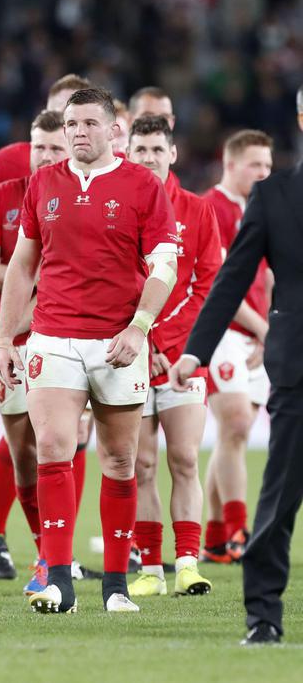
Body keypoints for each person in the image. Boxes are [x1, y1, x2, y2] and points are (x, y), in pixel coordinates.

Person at [0, 87, 178, 615]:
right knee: (52, 446)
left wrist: (140, 327)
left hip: (119, 341)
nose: (78, 132)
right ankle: (57, 581)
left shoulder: (143, 186)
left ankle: (116, 585)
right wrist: (6, 336)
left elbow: (165, 264)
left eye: (89, 123)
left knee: (119, 460)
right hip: (52, 336)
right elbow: (22, 267)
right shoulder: (43, 184)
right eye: (72, 123)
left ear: (114, 129)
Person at [169, 86, 303, 646]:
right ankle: (263, 615)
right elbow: (229, 281)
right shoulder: (272, 197)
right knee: (279, 494)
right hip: (298, 366)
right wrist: (196, 350)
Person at [0, 110, 71, 590]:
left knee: (62, 452)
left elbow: (82, 284)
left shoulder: (81, 199)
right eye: (40, 147)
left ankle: (59, 559)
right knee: (23, 455)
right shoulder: (3, 198)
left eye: (55, 148)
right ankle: (45, 556)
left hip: (70, 343)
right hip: (13, 346)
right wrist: (29, 278)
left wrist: (22, 285)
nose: (46, 156)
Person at [124, 116, 220, 598]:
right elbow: (115, 283)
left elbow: (207, 287)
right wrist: (141, 342)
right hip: (130, 354)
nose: (149, 159)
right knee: (140, 465)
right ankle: (150, 570)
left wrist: (162, 344)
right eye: (140, 150)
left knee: (184, 459)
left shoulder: (198, 212)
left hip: (180, 358)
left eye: (156, 150)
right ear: (127, 152)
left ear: (173, 153)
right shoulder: (116, 207)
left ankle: (187, 563)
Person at [199, 130, 273, 564]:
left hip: (258, 332)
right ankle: (237, 530)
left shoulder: (261, 208)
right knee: (237, 427)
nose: (263, 173)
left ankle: (214, 537)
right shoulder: (212, 208)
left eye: (267, 166)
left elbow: (266, 274)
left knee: (234, 437)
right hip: (222, 330)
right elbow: (219, 283)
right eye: (255, 165)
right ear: (230, 164)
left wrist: (271, 326)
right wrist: (263, 328)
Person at [0, 74, 91, 212]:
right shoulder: (15, 157)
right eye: (59, 115)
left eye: (74, 117)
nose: (65, 124)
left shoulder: (107, 166)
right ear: (45, 115)